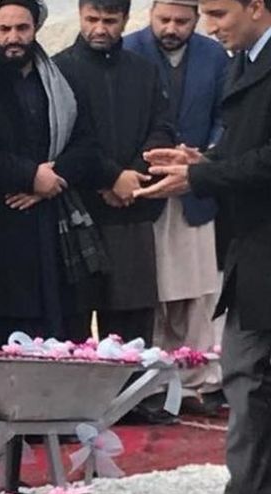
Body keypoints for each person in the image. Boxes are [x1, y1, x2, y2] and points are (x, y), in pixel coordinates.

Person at [134, 0, 271, 494]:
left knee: (248, 372)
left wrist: (202, 177)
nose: (210, 27)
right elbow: (244, 148)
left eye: (218, 13)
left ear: (256, 7)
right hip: (252, 246)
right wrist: (201, 161)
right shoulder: (243, 60)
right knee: (245, 373)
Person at [54, 0, 177, 422]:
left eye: (109, 20)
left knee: (133, 312)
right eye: (92, 19)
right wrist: (109, 177)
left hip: (133, 207)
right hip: (78, 210)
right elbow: (66, 136)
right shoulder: (60, 70)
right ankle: (71, 404)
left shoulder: (144, 70)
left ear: (125, 20)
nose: (100, 28)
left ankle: (133, 401)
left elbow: (163, 127)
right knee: (73, 316)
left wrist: (134, 176)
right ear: (80, 15)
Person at [0, 0, 106, 348]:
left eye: (22, 28)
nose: (13, 37)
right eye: (5, 29)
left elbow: (87, 145)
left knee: (57, 333)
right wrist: (28, 176)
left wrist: (49, 180)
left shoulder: (62, 83)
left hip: (53, 224)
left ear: (36, 28)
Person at [124, 0, 227, 414]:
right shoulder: (129, 50)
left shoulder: (214, 55)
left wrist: (206, 158)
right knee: (153, 294)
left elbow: (225, 115)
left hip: (196, 190)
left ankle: (199, 380)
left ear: (196, 20)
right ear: (150, 14)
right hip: (144, 190)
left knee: (198, 293)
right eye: (164, 19)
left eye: (182, 21)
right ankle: (155, 384)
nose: (171, 28)